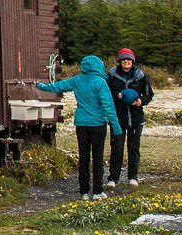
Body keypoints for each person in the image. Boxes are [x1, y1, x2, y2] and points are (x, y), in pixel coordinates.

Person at [38, 55, 123, 200]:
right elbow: (108, 106)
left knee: (83, 158)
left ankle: (84, 191)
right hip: (98, 124)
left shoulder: (77, 80)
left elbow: (58, 86)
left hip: (81, 124)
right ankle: (97, 191)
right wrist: (116, 127)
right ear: (99, 67)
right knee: (97, 157)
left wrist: (41, 86)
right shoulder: (100, 83)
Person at [105, 48, 154, 188]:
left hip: (136, 118)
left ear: (133, 61)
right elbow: (106, 93)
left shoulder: (141, 76)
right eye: (123, 59)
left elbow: (149, 94)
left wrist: (141, 101)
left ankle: (133, 177)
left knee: (134, 148)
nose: (126, 61)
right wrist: (119, 96)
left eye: (129, 59)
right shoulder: (112, 76)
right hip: (117, 118)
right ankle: (113, 178)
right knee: (116, 148)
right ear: (120, 61)